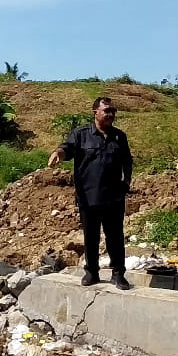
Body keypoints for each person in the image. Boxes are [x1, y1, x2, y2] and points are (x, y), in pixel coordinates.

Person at [48, 97, 133, 288]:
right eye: (106, 111)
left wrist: (126, 183)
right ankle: (92, 272)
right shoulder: (81, 134)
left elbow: (127, 161)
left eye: (113, 111)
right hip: (88, 196)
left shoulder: (120, 136)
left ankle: (118, 274)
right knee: (91, 237)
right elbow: (67, 148)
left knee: (116, 237)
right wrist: (58, 153)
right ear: (95, 112)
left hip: (114, 197)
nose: (111, 114)